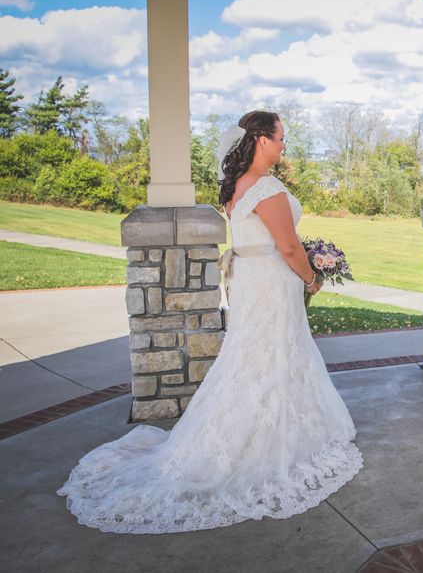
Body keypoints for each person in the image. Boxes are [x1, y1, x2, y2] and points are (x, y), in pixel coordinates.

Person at [57, 110, 362, 533]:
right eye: (280, 138)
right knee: (273, 354)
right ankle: (262, 443)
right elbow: (290, 248)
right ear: (260, 141)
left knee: (253, 356)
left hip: (253, 280)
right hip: (272, 282)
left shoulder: (237, 186)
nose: (284, 145)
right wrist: (312, 279)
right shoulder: (268, 188)